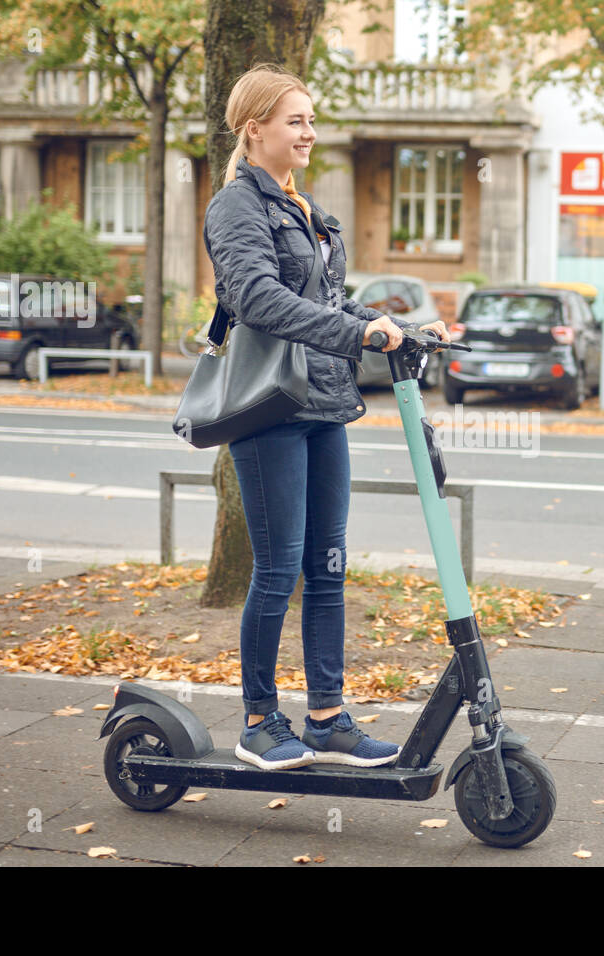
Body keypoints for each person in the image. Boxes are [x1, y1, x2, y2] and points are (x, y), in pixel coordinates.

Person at [203, 64, 448, 771]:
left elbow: (331, 303)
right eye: (296, 121)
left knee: (328, 567)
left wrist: (398, 325)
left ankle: (327, 718)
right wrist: (355, 336)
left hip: (324, 403)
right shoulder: (236, 207)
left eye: (312, 120)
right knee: (278, 570)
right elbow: (257, 299)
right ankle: (257, 722)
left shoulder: (304, 209)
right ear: (255, 130)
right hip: (269, 408)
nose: (310, 133)